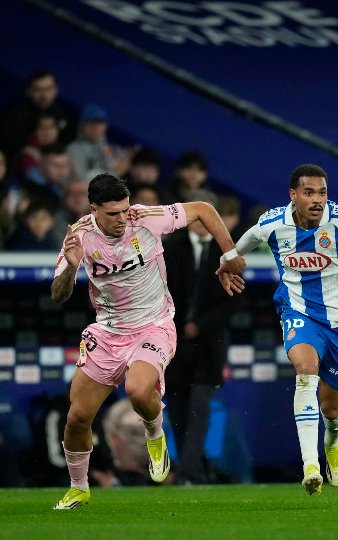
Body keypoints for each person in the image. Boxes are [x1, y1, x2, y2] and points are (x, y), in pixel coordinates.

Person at [49, 173, 245, 509]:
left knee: (138, 390)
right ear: (93, 209)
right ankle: (78, 487)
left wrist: (228, 255)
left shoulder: (145, 219)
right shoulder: (79, 236)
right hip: (108, 333)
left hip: (155, 325)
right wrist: (70, 267)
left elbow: (203, 209)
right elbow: (58, 295)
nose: (123, 219)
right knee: (77, 417)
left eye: (125, 210)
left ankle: (155, 436)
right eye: (113, 214)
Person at [217, 163, 338, 495]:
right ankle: (310, 465)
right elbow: (247, 240)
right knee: (305, 370)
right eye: (309, 193)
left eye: (322, 193)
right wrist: (227, 261)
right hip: (299, 314)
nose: (317, 200)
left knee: (331, 408)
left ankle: (333, 441)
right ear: (293, 195)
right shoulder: (274, 222)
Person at [162, 189, 234, 484]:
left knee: (199, 408)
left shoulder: (227, 251)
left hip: (208, 344)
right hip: (173, 340)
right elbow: (159, 291)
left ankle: (188, 471)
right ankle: (190, 467)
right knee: (177, 408)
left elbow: (233, 299)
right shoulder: (170, 247)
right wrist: (180, 325)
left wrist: (200, 325)